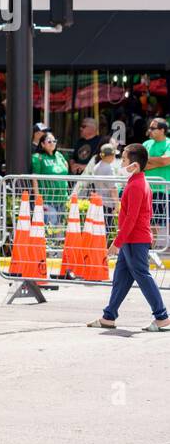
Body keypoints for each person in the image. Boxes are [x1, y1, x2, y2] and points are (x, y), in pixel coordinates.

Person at [88, 142, 170, 331]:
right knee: (121, 278)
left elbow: (132, 218)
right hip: (133, 239)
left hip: (134, 239)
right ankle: (109, 316)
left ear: (134, 165)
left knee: (142, 276)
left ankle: (162, 317)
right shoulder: (138, 181)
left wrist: (117, 243)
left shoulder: (136, 185)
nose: (121, 163)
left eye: (123, 159)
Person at [31, 132, 69, 225]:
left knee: (61, 227)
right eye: (49, 141)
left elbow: (66, 170)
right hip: (47, 199)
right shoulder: (38, 157)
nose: (52, 143)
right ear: (42, 144)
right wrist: (37, 199)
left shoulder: (59, 155)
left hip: (62, 198)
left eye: (54, 141)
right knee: (51, 225)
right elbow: (34, 178)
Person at [144, 117, 170, 248]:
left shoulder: (169, 144)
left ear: (162, 130)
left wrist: (149, 161)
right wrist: (158, 162)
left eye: (153, 128)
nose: (150, 131)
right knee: (150, 222)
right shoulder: (146, 144)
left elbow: (166, 160)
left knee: (166, 221)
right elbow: (140, 164)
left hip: (164, 189)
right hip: (147, 189)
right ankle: (151, 248)